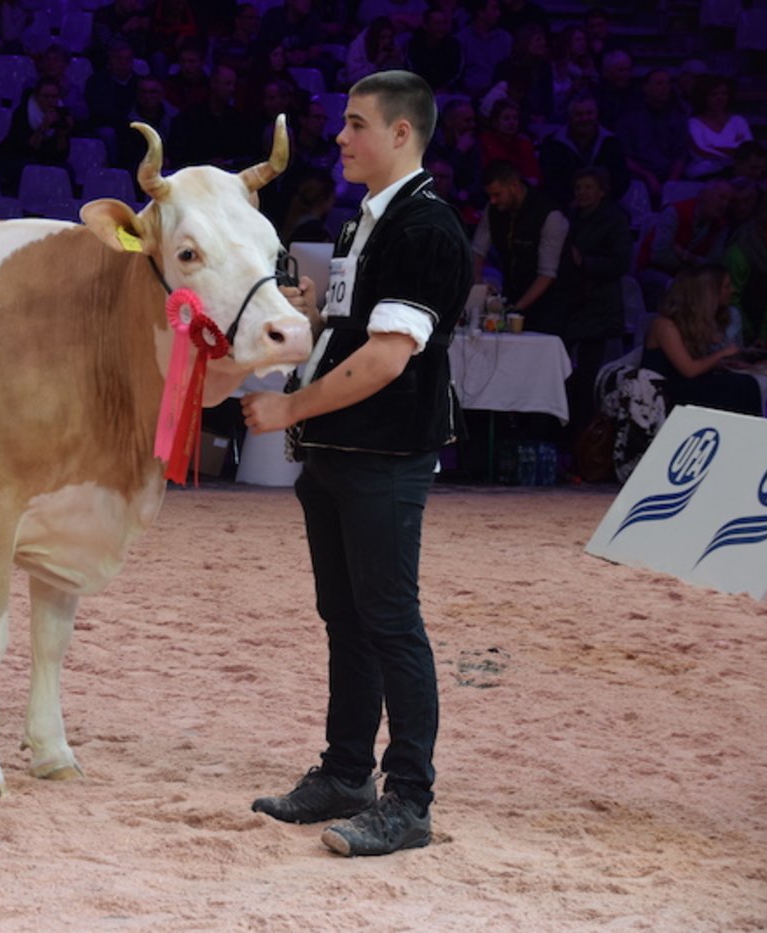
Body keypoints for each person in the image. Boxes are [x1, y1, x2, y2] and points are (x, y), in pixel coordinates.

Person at [241, 70, 473, 858]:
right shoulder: (361, 226)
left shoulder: (425, 229)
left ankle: (409, 799)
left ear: (401, 133)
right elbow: (349, 334)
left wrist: (287, 410)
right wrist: (308, 312)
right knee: (349, 620)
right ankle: (347, 773)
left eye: (356, 123)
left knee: (390, 622)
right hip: (341, 455)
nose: (340, 137)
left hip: (382, 455)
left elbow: (384, 361)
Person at [558, 166, 631, 437]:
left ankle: (585, 436)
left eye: (589, 187)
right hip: (574, 302)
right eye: (579, 188)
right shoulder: (571, 217)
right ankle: (566, 432)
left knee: (590, 375)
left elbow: (621, 261)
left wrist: (584, 261)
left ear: (601, 191)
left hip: (600, 305)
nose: (583, 193)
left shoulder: (614, 219)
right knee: (569, 373)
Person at [641, 266, 762, 415]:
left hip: (685, 384)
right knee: (740, 387)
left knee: (747, 384)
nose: (733, 291)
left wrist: (720, 364)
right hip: (665, 392)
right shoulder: (664, 325)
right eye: (727, 287)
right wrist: (723, 353)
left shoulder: (693, 322)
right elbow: (690, 370)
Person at [472, 159, 567, 334]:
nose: (492, 201)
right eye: (490, 196)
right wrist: (477, 287)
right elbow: (478, 250)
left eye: (497, 194)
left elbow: (547, 273)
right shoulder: (492, 210)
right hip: (512, 293)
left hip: (549, 302)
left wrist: (516, 309)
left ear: (514, 186)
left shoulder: (549, 215)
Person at [537, 93, 628, 209]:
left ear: (596, 115)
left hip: (605, 205)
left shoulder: (611, 142)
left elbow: (621, 178)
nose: (584, 119)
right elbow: (550, 181)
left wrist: (601, 201)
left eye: (589, 113)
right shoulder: (553, 144)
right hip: (565, 207)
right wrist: (573, 202)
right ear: (569, 116)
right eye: (578, 114)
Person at [616, 68, 688, 207]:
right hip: (638, 176)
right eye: (659, 84)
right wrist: (647, 176)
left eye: (667, 84)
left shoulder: (678, 116)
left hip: (671, 176)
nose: (664, 88)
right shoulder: (629, 117)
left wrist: (671, 181)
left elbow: (681, 154)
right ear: (646, 87)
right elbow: (624, 156)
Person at [0, 78, 75, 192]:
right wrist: (43, 127)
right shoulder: (23, 113)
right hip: (19, 157)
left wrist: (62, 133)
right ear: (37, 96)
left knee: (66, 170)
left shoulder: (61, 113)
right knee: (29, 166)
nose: (50, 101)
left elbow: (61, 154)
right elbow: (26, 148)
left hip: (47, 158)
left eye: (54, 97)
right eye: (46, 96)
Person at [725, 196, 767, 347]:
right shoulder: (739, 255)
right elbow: (731, 298)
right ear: (762, 231)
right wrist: (748, 333)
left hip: (764, 319)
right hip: (732, 318)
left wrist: (764, 335)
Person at [685, 76, 753, 181]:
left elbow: (748, 149)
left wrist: (714, 147)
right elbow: (701, 150)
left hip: (735, 173)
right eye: (714, 94)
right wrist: (735, 151)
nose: (720, 97)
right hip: (703, 174)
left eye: (724, 93)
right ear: (703, 96)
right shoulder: (693, 123)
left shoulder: (739, 121)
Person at [477, 98, 538, 187]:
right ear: (495, 122)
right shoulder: (484, 142)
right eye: (506, 118)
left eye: (515, 118)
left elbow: (534, 176)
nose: (512, 122)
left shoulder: (525, 144)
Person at [456, 0, 511, 99]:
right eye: (494, 9)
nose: (499, 13)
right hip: (468, 96)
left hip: (501, 95)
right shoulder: (461, 40)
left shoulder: (505, 38)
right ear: (481, 13)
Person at [405, 6, 463, 93]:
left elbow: (457, 72)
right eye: (437, 24)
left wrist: (445, 87)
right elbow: (412, 71)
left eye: (444, 23)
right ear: (425, 25)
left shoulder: (453, 45)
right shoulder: (413, 45)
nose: (441, 28)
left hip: (447, 91)